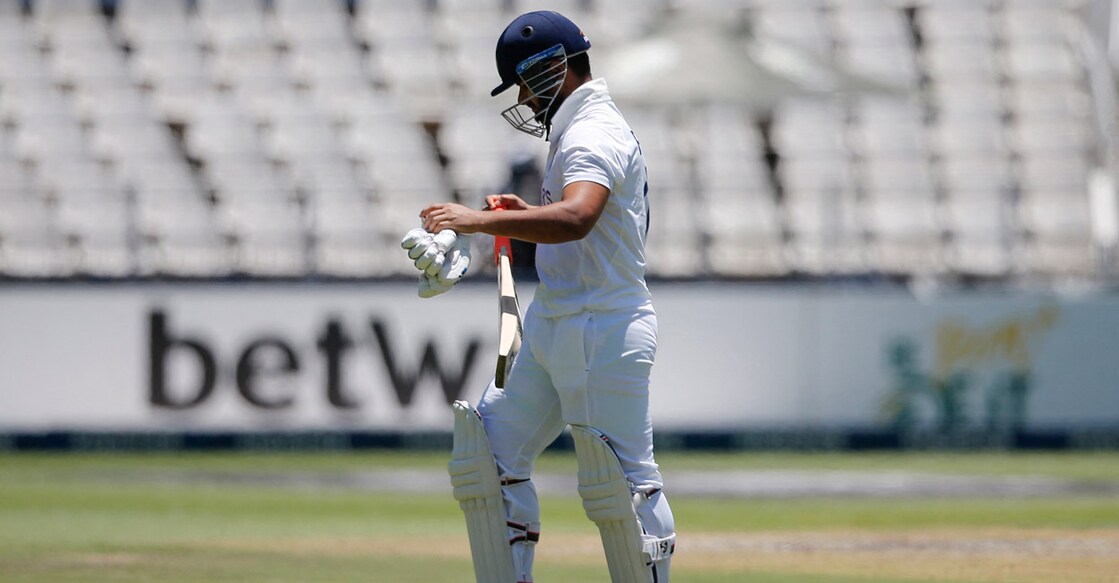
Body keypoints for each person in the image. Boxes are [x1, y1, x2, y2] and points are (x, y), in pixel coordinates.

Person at [418, 10, 676, 582]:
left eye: (525, 86)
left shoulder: (591, 131)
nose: (526, 102)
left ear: (551, 71)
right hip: (558, 318)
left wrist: (479, 222)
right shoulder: (579, 129)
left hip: (605, 324)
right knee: (486, 455)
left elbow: (579, 216)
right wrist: (520, 215)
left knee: (622, 484)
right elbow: (568, 219)